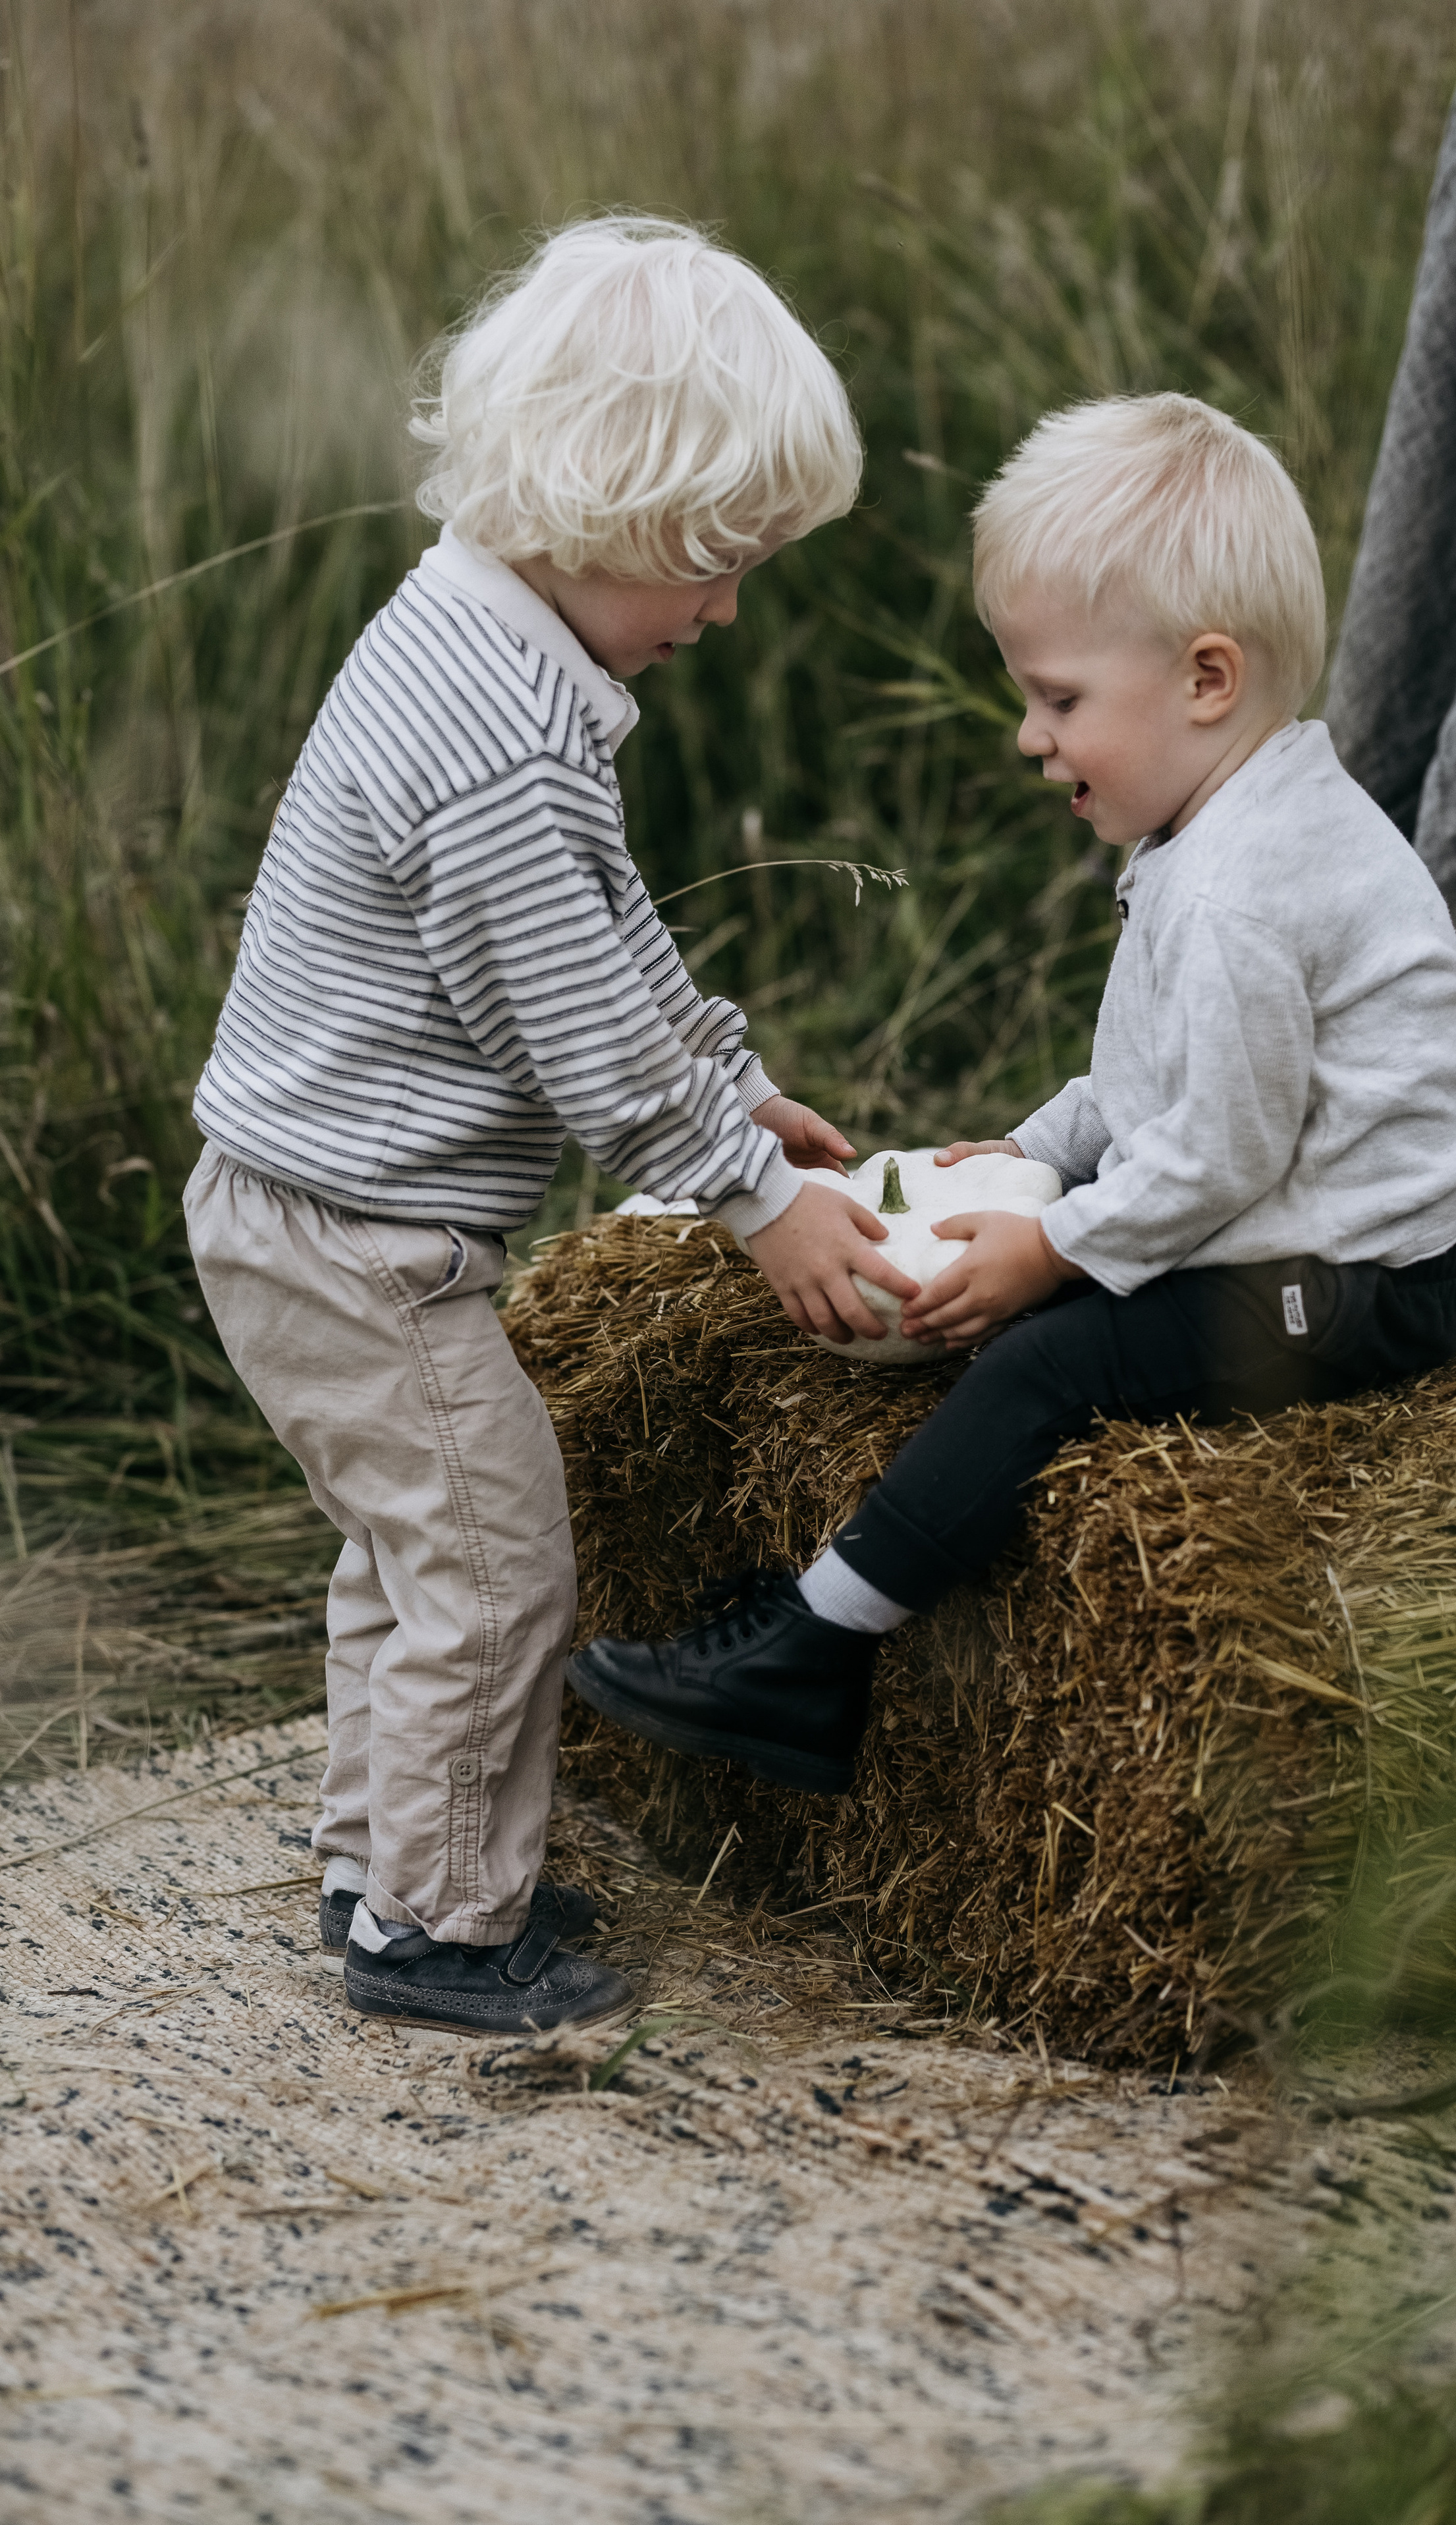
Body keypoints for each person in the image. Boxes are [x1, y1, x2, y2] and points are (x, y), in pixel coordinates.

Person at [183, 216, 919, 2034]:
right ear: (614, 506)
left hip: (303, 1211)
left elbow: (602, 929)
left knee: (413, 1556)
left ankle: (388, 1867)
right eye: (717, 564)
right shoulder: (501, 737)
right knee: (500, 1566)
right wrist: (748, 1192)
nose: (725, 612)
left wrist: (726, 1073)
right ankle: (439, 1932)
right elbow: (574, 1029)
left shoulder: (474, 641)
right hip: (357, 1243)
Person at [566, 392, 1456, 1797]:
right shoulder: (1227, 820)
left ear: (1205, 678)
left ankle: (811, 1653)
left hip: (1365, 1277)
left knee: (1048, 1361)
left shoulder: (1241, 892)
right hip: (1352, 1210)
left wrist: (1054, 1248)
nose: (1028, 735)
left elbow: (1223, 1153)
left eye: (1058, 700)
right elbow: (1154, 1076)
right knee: (1066, 1281)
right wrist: (1032, 1146)